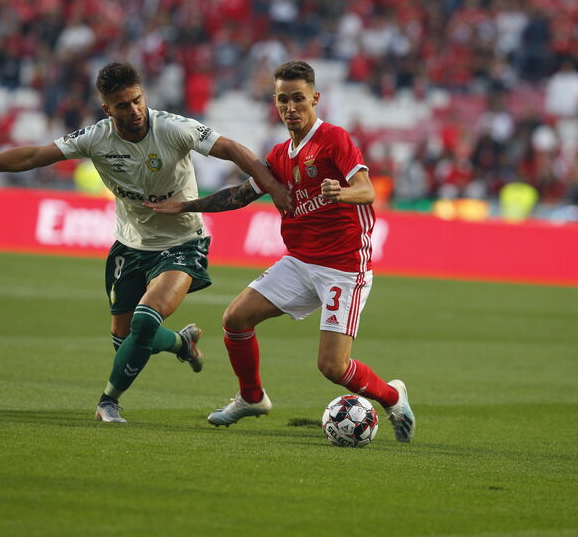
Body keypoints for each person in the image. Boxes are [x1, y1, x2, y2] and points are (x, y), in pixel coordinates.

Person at [0, 61, 293, 423]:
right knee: (127, 340)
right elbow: (32, 156)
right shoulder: (95, 138)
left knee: (145, 319)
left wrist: (273, 187)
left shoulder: (173, 128)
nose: (134, 110)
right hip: (129, 247)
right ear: (108, 109)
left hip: (183, 242)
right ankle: (181, 343)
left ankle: (108, 401)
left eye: (137, 100)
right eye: (123, 105)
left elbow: (231, 149)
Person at [145, 61, 415, 443]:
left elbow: (367, 189)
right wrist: (186, 205)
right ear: (275, 102)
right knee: (236, 318)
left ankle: (392, 396)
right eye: (283, 100)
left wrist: (343, 193)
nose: (291, 107)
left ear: (315, 99)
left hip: (342, 266)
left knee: (332, 366)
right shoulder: (278, 156)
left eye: (298, 99)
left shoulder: (333, 139)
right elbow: (240, 195)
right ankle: (251, 397)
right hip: (300, 260)